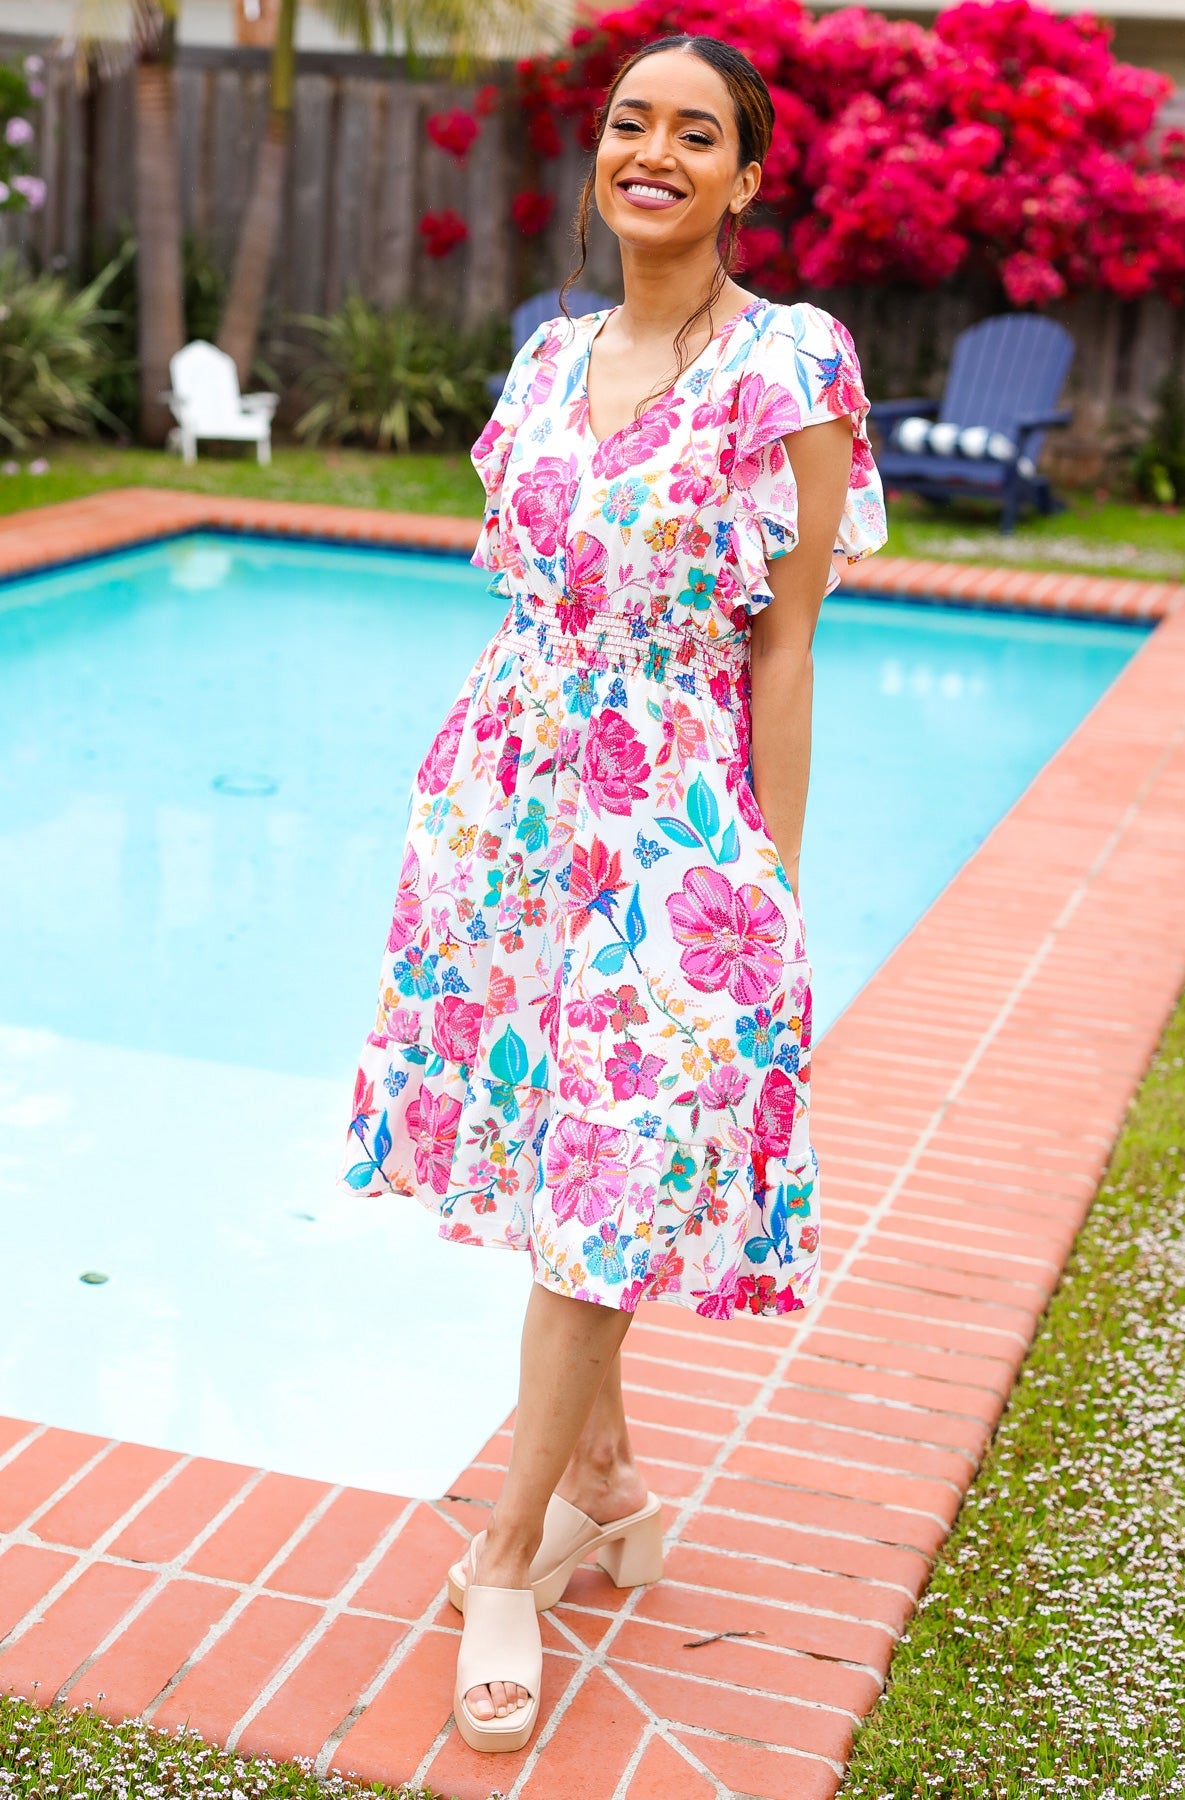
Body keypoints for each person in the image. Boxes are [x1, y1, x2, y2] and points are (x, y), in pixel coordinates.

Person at [336, 32, 888, 1755]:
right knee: (551, 1158)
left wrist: (772, 875)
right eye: (631, 123)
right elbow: (523, 600)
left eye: (695, 132)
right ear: (603, 160)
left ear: (747, 174)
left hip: (676, 823)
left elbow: (786, 642)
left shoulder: (794, 361)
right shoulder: (549, 358)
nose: (654, 150)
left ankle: (509, 1553)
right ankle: (613, 1494)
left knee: (616, 1164)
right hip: (510, 805)